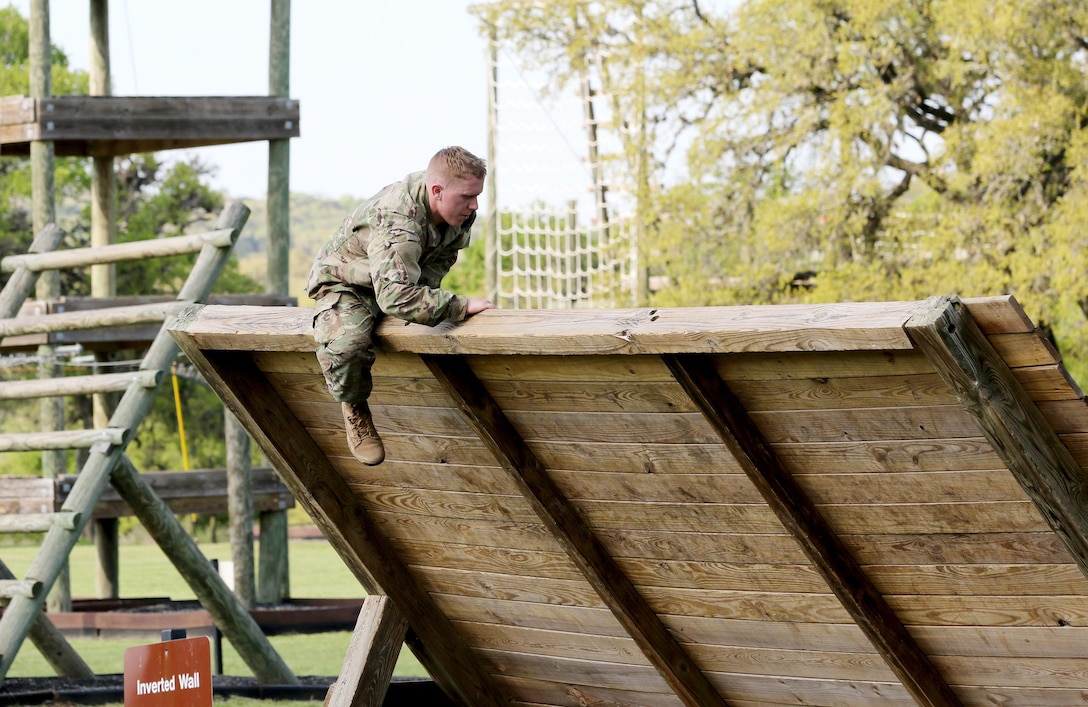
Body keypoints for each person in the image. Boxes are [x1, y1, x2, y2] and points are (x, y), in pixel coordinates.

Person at [306, 146, 497, 465]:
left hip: (397, 276)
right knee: (348, 346)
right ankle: (353, 405)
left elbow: (441, 257)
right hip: (348, 279)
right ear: (437, 191)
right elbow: (394, 296)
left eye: (477, 195)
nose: (475, 205)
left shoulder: (459, 209)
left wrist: (426, 296)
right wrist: (458, 305)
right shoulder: (398, 218)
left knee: (424, 325)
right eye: (467, 196)